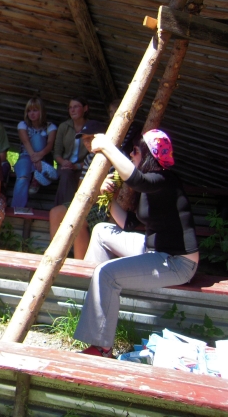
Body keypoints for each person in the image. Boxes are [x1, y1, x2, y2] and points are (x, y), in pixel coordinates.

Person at [74, 129, 198, 357]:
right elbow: (127, 223)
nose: (131, 155)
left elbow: (137, 180)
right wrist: (109, 198)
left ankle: (101, 347)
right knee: (101, 230)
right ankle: (97, 305)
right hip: (154, 250)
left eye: (135, 151)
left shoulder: (165, 180)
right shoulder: (151, 187)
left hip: (177, 263)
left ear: (148, 155)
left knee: (106, 273)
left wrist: (107, 146)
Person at [48, 120, 108, 259]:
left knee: (78, 221)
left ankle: (79, 263)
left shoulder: (112, 156)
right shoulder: (89, 158)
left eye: (90, 138)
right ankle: (55, 257)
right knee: (55, 212)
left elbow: (112, 192)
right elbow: (82, 186)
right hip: (88, 201)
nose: (86, 142)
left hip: (105, 206)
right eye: (84, 139)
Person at [11, 98, 56, 208]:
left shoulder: (50, 126)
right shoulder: (23, 125)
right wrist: (35, 159)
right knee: (22, 177)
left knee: (37, 138)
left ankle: (37, 177)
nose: (32, 113)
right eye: (29, 111)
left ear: (41, 111)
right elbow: (25, 141)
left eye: (35, 110)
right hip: (26, 156)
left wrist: (40, 157)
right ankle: (17, 209)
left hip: (43, 158)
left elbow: (50, 145)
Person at [54, 97, 90, 206]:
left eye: (76, 107)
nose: (72, 110)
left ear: (85, 108)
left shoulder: (90, 127)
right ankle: (62, 208)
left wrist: (77, 166)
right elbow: (57, 152)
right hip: (65, 166)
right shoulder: (64, 127)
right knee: (66, 174)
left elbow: (94, 155)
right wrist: (64, 162)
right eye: (70, 108)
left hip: (85, 166)